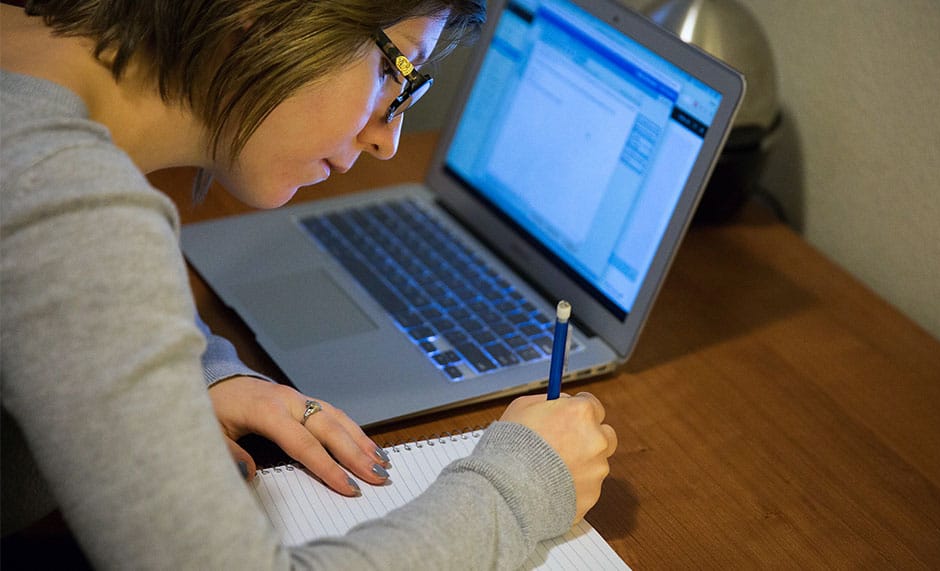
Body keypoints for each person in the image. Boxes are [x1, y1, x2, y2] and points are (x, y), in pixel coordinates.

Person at [0, 0, 619, 568]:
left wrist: (200, 368)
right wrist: (516, 489)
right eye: (395, 71)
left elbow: (64, 285)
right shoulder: (66, 197)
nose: (387, 138)